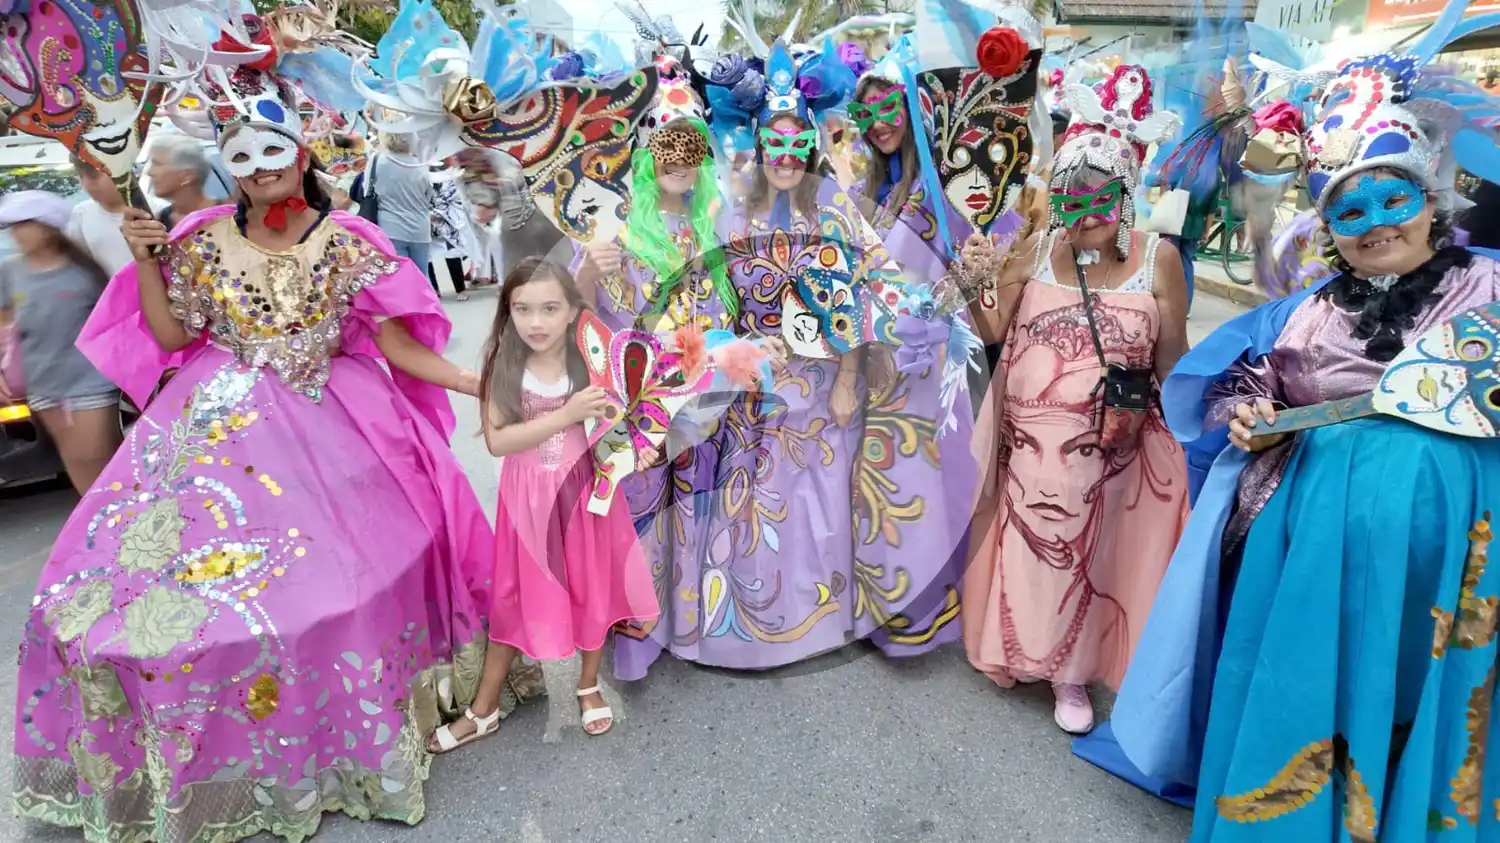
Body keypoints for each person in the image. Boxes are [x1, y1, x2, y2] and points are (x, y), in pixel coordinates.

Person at [11, 30, 544, 841]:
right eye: (245, 157)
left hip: (331, 423)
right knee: (139, 596)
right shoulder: (194, 244)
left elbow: (398, 345)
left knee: (340, 588)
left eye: (275, 153)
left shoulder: (346, 244)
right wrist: (146, 260)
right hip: (210, 423)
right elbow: (165, 333)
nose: (262, 169)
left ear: (301, 158)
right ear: (230, 168)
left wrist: (478, 382)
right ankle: (208, 761)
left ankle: (339, 736)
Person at [1099, 18, 1500, 838]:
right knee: (1312, 685)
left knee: (1427, 700)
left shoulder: (1488, 288)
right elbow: (1238, 384)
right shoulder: (1304, 314)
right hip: (1315, 555)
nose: (1376, 223)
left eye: (1395, 199)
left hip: (1457, 553)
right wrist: (1246, 415)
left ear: (1432, 203)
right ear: (1330, 228)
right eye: (1352, 210)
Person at [964, 65, 1190, 735]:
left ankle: (1072, 670)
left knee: (1090, 549)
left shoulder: (1159, 260)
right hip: (1030, 433)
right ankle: (1019, 649)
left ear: (1127, 194)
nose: (1086, 213)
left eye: (1102, 197)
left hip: (1112, 439)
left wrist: (1189, 428)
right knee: (1030, 544)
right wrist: (978, 276)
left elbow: (1174, 356)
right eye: (1072, 196)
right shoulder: (1033, 247)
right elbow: (992, 330)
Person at [429, 258, 658, 751]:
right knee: (513, 598)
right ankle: (483, 709)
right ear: (506, 312)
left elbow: (620, 418)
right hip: (528, 504)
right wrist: (566, 413)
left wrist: (640, 444)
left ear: (573, 311)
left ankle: (588, 685)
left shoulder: (588, 359)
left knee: (593, 589)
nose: (536, 322)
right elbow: (498, 441)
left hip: (587, 498)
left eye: (550, 308)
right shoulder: (503, 364)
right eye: (523, 309)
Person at [0, 191, 121, 493]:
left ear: (46, 227)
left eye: (23, 224)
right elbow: (4, 325)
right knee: (76, 465)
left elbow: (113, 326)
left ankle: (128, 526)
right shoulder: (10, 271)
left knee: (99, 461)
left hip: (91, 383)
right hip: (42, 385)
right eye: (12, 225)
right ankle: (98, 532)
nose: (16, 232)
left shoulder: (84, 272)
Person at [365, 132, 434, 270]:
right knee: (422, 276)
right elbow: (429, 196)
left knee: (400, 276)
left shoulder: (377, 161)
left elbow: (366, 190)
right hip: (420, 228)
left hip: (390, 227)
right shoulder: (420, 164)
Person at [66, 157, 134, 276]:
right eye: (81, 177)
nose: (87, 184)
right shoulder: (81, 213)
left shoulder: (155, 209)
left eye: (94, 176)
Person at [145, 134, 217, 230]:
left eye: (157, 164)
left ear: (187, 175)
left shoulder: (229, 216)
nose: (149, 172)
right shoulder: (160, 222)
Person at [428, 160, 475, 301]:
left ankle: (459, 288)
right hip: (428, 219)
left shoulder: (454, 177)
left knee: (452, 253)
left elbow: (460, 199)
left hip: (449, 219)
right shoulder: (420, 176)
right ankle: (434, 289)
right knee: (428, 256)